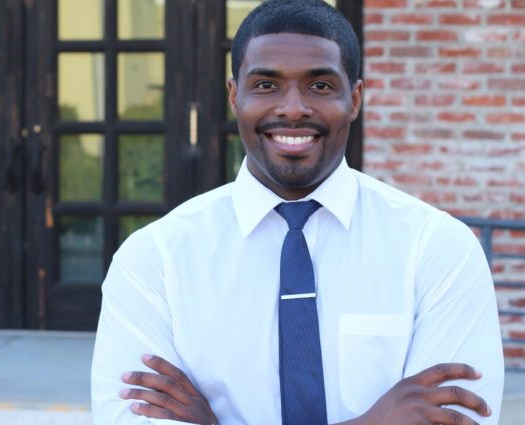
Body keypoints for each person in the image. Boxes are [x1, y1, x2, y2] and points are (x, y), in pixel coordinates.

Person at [90, 1, 504, 424]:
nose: (292, 108)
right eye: (267, 85)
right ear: (235, 96)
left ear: (355, 98)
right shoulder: (155, 260)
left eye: (320, 86)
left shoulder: (437, 251)